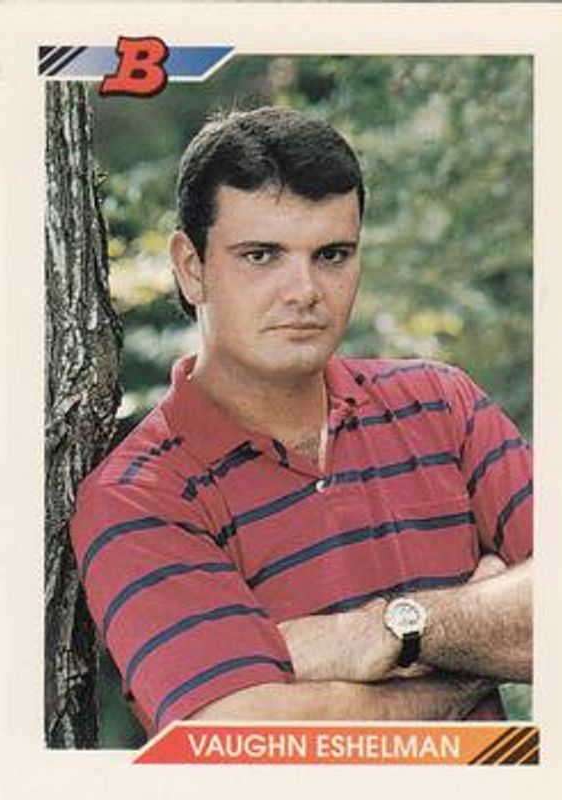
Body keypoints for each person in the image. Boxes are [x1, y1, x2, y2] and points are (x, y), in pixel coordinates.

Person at [70, 107, 532, 737]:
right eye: (261, 255)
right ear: (191, 266)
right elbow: (242, 736)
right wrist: (476, 656)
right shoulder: (139, 497)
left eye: (332, 255)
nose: (304, 291)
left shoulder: (441, 404)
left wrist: (391, 630)